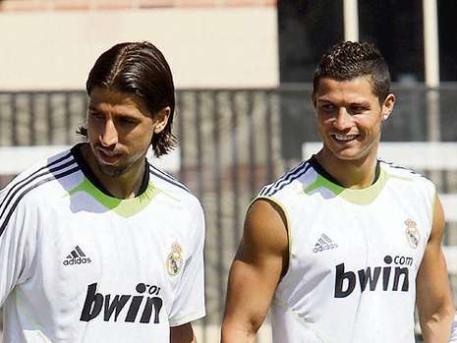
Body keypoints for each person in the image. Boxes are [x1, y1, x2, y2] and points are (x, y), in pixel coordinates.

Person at [221, 41, 456, 342]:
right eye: (328, 108)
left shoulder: (419, 196)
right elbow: (240, 327)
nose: (342, 124)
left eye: (356, 109)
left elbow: (438, 315)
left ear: (387, 106)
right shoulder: (279, 209)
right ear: (314, 103)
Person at [0, 41, 205, 342]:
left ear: (161, 118)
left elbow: (178, 330)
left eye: (125, 121)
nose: (107, 138)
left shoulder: (183, 210)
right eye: (97, 116)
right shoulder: (32, 201)